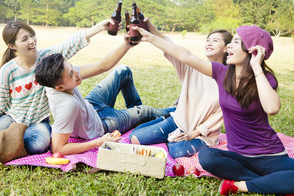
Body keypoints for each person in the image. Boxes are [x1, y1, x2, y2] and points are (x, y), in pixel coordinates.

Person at [135, 24, 294, 195]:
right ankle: (269, 182)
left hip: (269, 156)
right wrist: (150, 37)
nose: (228, 46)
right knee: (207, 157)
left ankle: (240, 185)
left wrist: (256, 66)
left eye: (236, 42)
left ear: (252, 51)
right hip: (237, 156)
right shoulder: (221, 73)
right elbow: (185, 55)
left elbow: (272, 108)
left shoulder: (265, 79)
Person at [0, 19, 113, 170]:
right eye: (24, 38)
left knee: (41, 143)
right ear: (12, 46)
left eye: (32, 35)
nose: (32, 41)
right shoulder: (8, 71)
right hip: (12, 118)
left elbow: (72, 43)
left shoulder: (46, 58)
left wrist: (99, 27)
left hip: (38, 121)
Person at [34, 36, 176, 156]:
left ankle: (137, 116)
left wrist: (127, 44)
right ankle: (177, 111)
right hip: (103, 125)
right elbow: (58, 149)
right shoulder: (67, 106)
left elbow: (102, 65)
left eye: (71, 67)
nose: (76, 72)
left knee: (123, 71)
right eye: (71, 74)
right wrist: (98, 142)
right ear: (59, 88)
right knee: (146, 111)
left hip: (91, 104)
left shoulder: (54, 80)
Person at [129, 19, 232, 159]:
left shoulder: (229, 80)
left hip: (201, 134)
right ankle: (168, 119)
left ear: (226, 48)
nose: (209, 43)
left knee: (177, 152)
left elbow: (218, 116)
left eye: (215, 40)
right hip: (178, 122)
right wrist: (151, 28)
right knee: (135, 138)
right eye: (208, 40)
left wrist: (193, 134)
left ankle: (168, 131)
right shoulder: (193, 67)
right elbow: (171, 48)